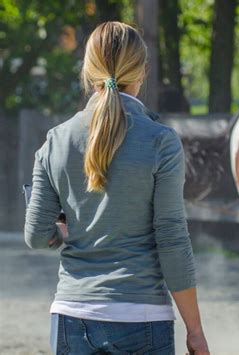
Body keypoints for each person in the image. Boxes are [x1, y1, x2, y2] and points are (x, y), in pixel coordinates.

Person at [24, 21, 209, 355]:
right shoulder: (161, 142)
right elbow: (172, 239)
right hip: (142, 316)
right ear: (142, 72)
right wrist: (194, 329)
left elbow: (36, 235)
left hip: (71, 315)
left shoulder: (56, 141)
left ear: (87, 70)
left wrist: (66, 230)